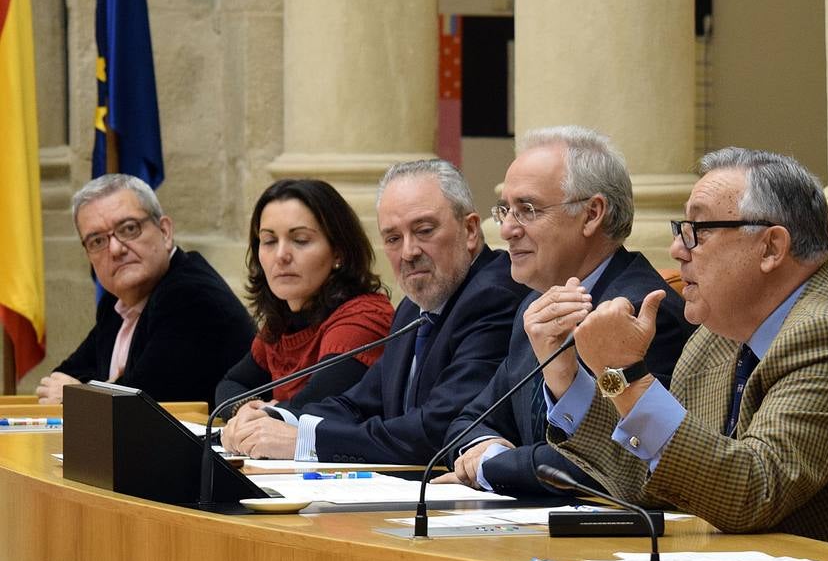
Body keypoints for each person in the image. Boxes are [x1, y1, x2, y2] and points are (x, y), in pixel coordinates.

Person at [546, 148, 828, 549]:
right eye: (680, 229)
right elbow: (658, 476)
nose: (677, 250)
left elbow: (752, 491)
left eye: (698, 230)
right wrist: (569, 379)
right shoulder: (719, 332)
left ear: (771, 248)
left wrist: (625, 374)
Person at [435, 126, 692, 495]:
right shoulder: (536, 305)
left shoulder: (643, 312)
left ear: (591, 214)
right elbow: (468, 421)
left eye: (527, 210)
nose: (507, 229)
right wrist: (484, 447)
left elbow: (620, 463)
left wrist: (492, 466)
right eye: (505, 210)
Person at [221, 159, 527, 463]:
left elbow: (438, 430)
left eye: (424, 231)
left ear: (470, 230)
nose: (408, 252)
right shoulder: (412, 308)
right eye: (393, 238)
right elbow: (358, 404)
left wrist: (304, 441)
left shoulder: (492, 296)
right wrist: (275, 419)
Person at [37, 174, 254, 407]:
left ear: (165, 231)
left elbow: (141, 406)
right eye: (97, 241)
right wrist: (102, 387)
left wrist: (78, 396)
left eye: (129, 229)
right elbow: (59, 380)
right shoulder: (116, 303)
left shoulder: (192, 297)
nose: (116, 249)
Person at [215, 179, 395, 414]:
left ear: (338, 251)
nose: (281, 256)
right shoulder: (281, 323)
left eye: (300, 240)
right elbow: (229, 385)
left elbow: (313, 409)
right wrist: (244, 410)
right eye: (269, 241)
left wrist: (265, 414)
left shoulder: (365, 317)